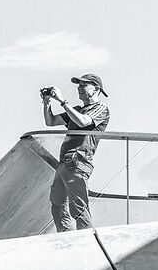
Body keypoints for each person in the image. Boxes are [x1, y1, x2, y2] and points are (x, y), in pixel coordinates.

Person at [39, 74, 111, 231]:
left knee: (78, 208)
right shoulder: (77, 110)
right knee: (57, 206)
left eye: (84, 85)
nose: (79, 88)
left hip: (78, 162)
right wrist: (46, 103)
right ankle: (67, 240)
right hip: (64, 163)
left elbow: (83, 121)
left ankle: (87, 240)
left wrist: (62, 102)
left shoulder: (101, 109)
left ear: (96, 89)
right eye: (79, 85)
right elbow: (50, 121)